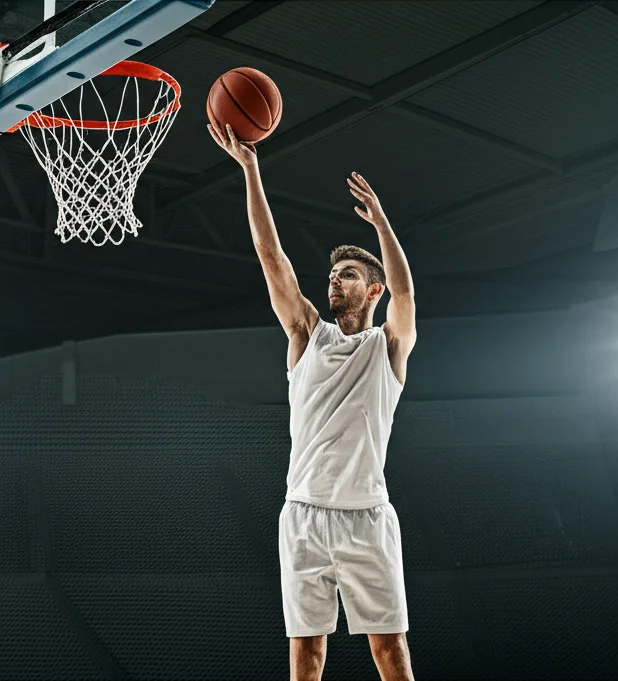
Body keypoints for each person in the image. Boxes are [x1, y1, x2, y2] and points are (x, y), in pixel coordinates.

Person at [208, 123, 418, 681]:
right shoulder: (306, 332)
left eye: (347, 275)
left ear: (370, 290)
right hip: (302, 514)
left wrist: (381, 226)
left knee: (390, 653)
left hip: (368, 517)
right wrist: (250, 170)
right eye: (331, 274)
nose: (334, 281)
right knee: (306, 657)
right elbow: (271, 256)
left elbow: (405, 292)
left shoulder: (388, 346)